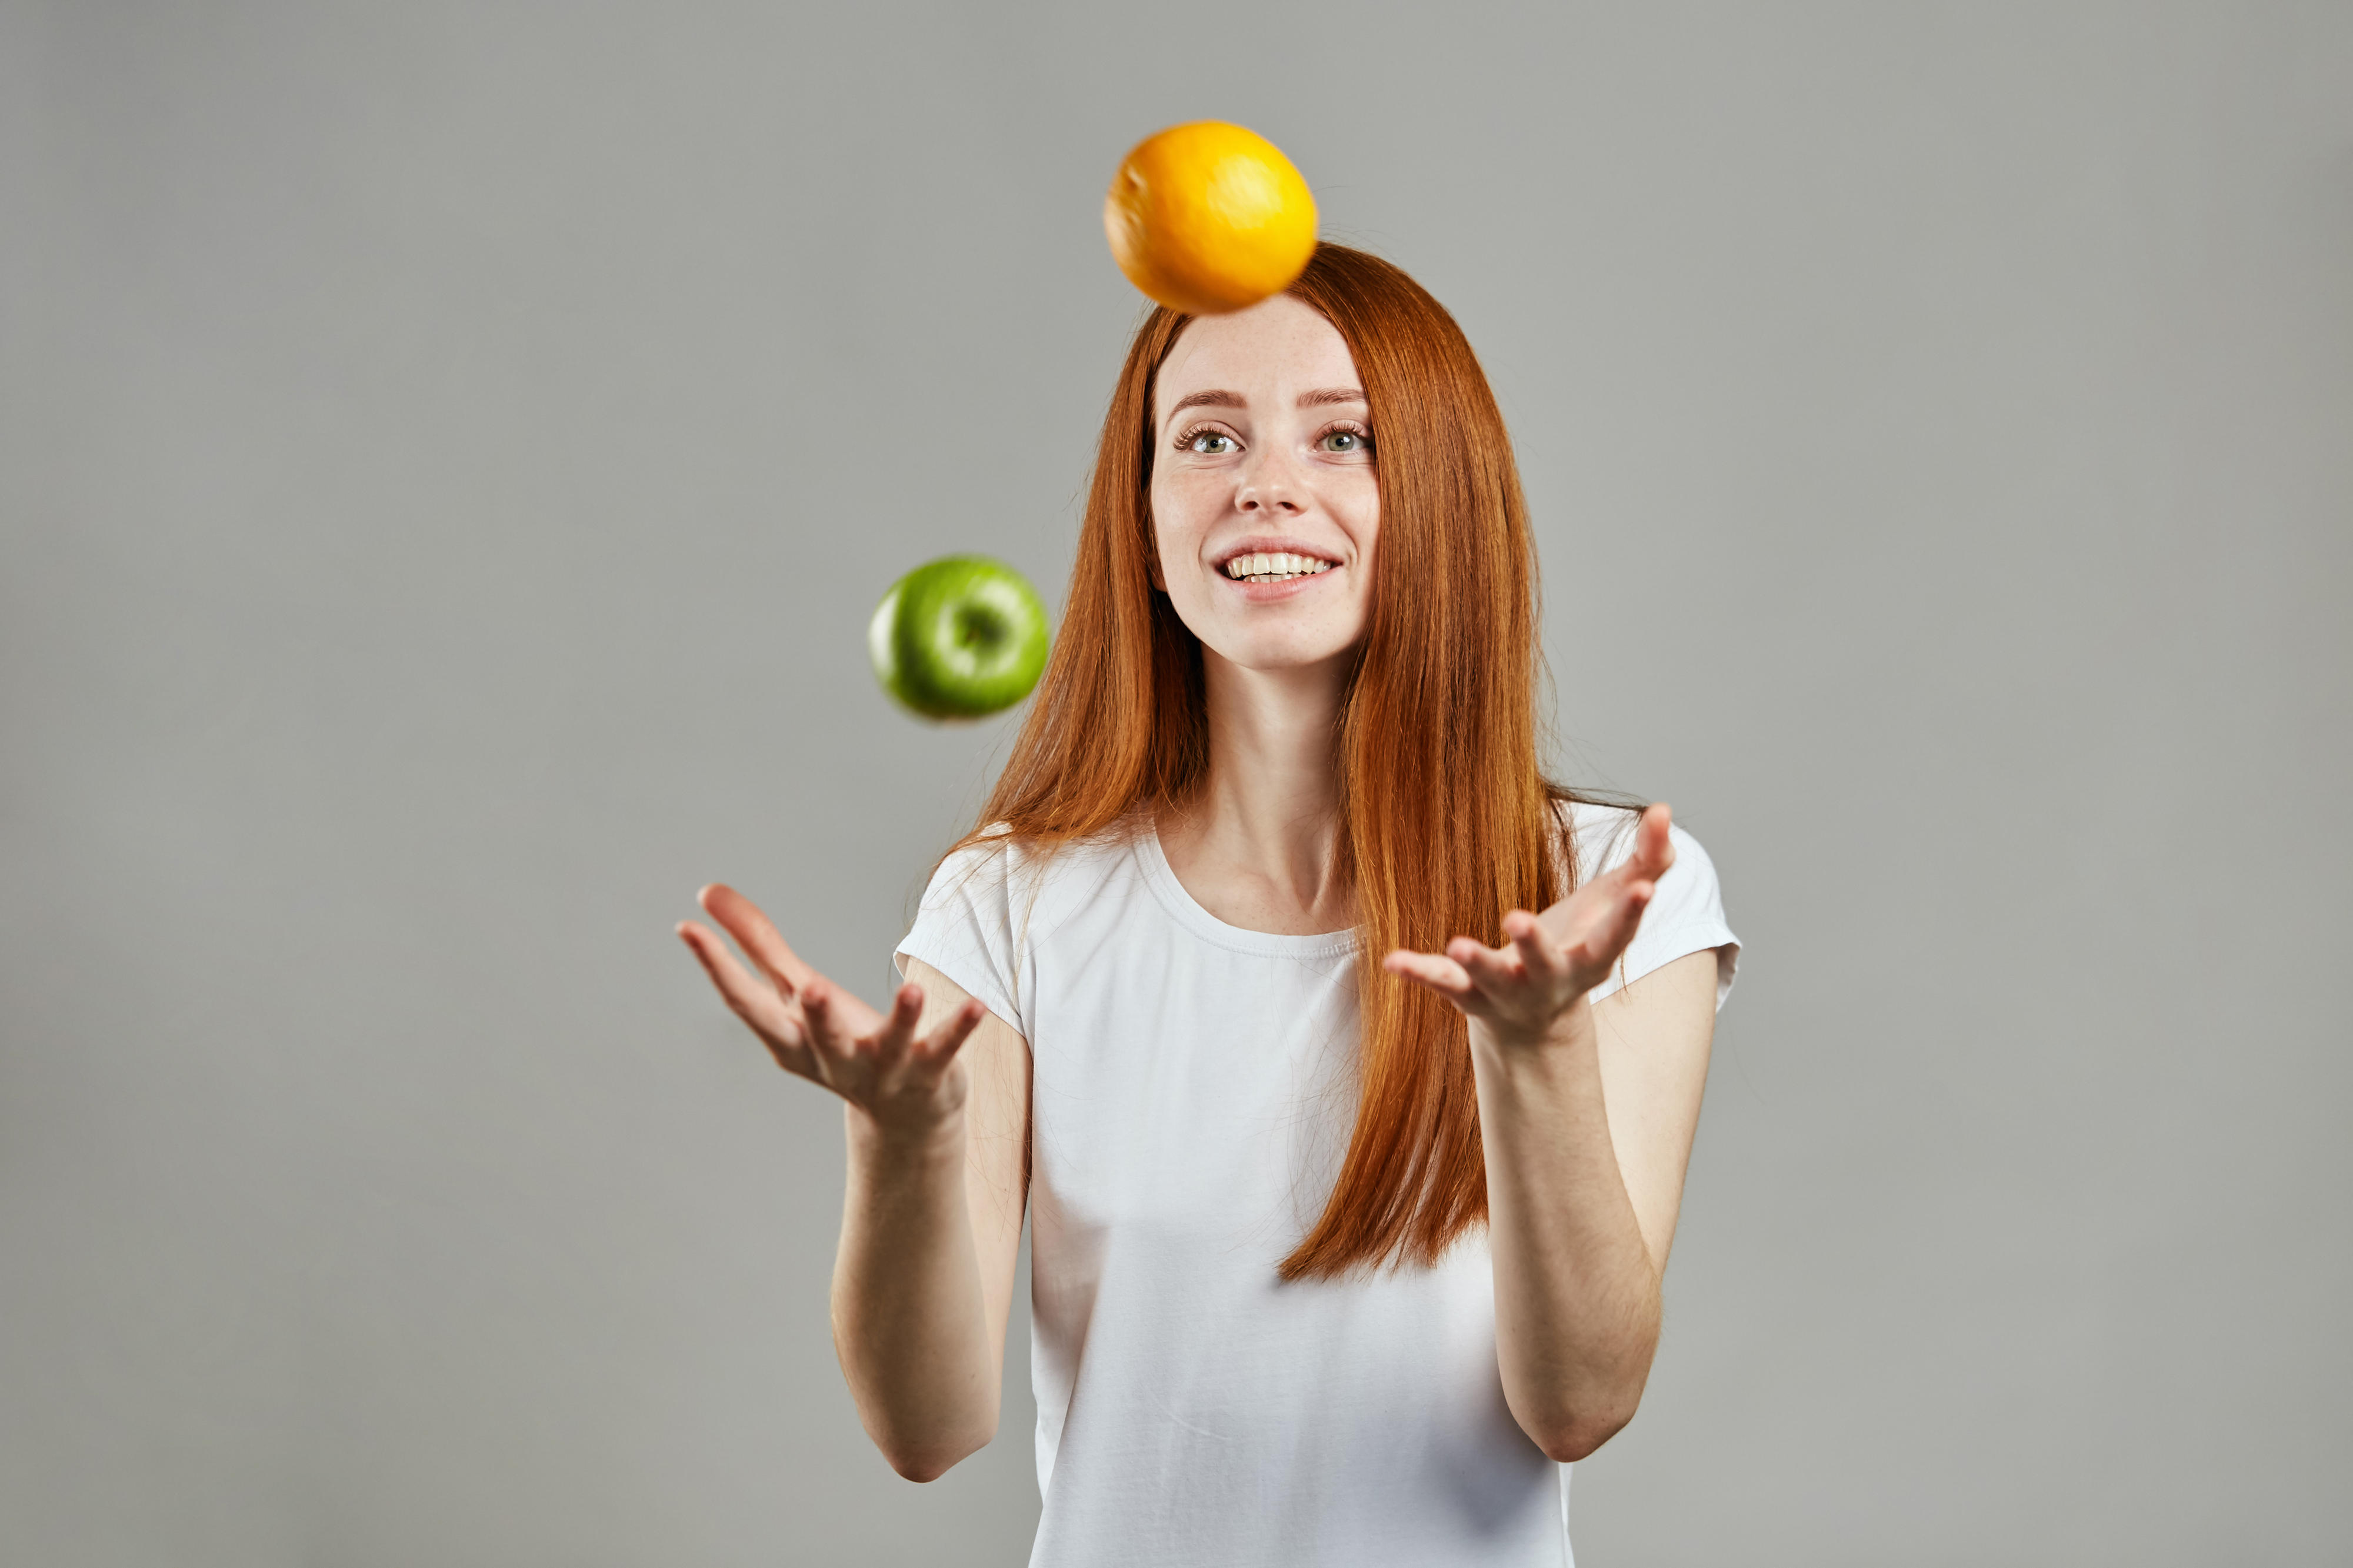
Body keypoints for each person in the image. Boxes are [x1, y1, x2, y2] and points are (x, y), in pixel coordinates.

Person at [676, 243, 1739, 1566]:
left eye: (1342, 437)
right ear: (1145, 522)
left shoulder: (1599, 895)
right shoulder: (1011, 903)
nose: (1267, 488)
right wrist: (900, 1135)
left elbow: (1580, 1400)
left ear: (1444, 500)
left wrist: (1532, 1053)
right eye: (1206, 438)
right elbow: (926, 1426)